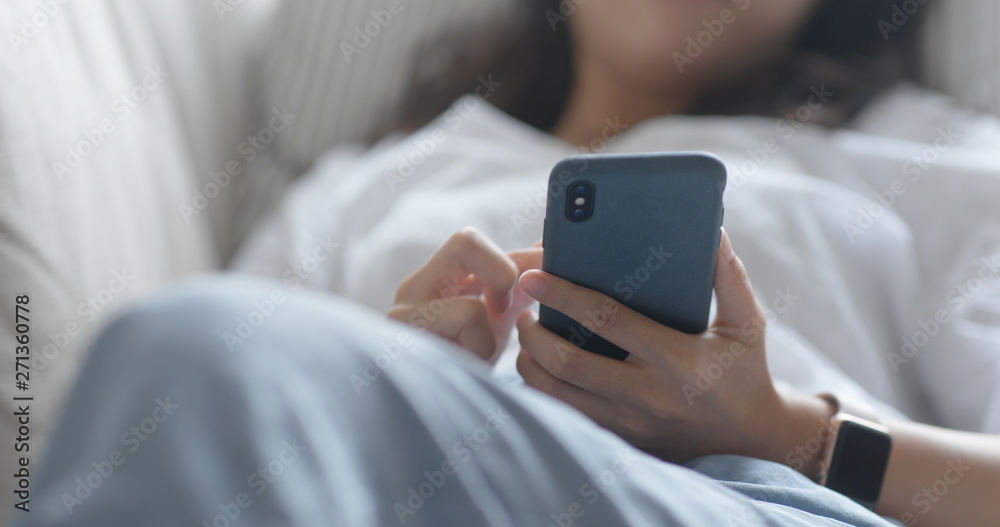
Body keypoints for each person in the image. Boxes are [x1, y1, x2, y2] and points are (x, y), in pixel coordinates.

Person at [19, 1, 1000, 526]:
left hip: (764, 502)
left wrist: (792, 432)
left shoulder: (930, 156)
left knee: (183, 344)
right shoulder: (366, 186)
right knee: (190, 358)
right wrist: (390, 375)